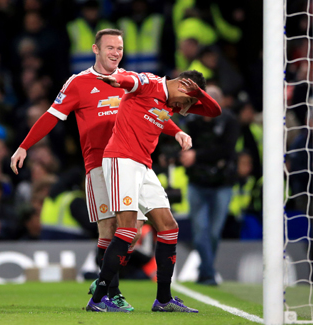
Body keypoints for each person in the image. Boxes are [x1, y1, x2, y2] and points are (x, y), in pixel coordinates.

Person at [10, 29, 189, 311]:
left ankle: (105, 281)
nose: (116, 52)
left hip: (137, 160)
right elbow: (51, 115)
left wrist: (176, 131)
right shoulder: (78, 82)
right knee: (111, 229)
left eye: (119, 47)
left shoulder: (131, 82)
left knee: (133, 230)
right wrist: (24, 146)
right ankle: (110, 292)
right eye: (110, 47)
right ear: (95, 49)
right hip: (100, 164)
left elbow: (155, 111)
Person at [86, 69, 221, 312]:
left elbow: (214, 110)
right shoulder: (150, 83)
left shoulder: (168, 103)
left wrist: (178, 129)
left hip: (143, 166)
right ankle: (98, 298)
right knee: (127, 229)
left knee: (169, 226)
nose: (184, 109)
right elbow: (131, 81)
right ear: (182, 85)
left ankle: (164, 299)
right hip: (122, 160)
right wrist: (118, 81)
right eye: (187, 101)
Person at [179, 85, 240, 285]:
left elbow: (226, 150)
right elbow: (183, 145)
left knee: (213, 232)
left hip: (222, 183)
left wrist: (196, 156)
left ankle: (206, 270)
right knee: (200, 231)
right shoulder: (193, 121)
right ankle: (208, 273)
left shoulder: (230, 121)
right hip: (197, 182)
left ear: (220, 102)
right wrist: (183, 155)